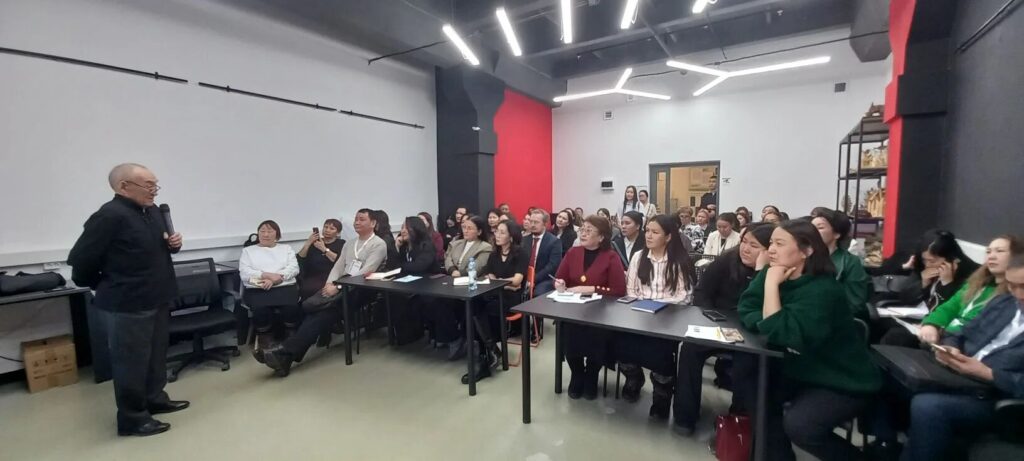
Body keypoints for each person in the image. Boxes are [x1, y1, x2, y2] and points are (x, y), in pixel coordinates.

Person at [735, 220, 881, 461]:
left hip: (839, 378)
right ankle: (777, 455)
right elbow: (747, 306)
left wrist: (771, 287)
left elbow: (782, 333)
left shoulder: (822, 290)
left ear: (807, 251)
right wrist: (767, 319)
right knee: (750, 377)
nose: (771, 250)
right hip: (799, 368)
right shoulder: (774, 270)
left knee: (801, 426)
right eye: (771, 243)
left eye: (779, 244)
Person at [68, 163, 187, 437]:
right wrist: (104, 285)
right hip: (128, 304)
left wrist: (174, 246)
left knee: (155, 356)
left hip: (158, 297)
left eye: (156, 185)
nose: (154, 191)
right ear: (123, 186)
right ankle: (133, 418)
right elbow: (81, 261)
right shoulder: (109, 216)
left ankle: (155, 399)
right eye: (149, 185)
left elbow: (156, 249)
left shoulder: (153, 211)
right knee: (131, 363)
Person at [902, 252, 1024, 461]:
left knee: (928, 406)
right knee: (897, 375)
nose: (1018, 294)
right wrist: (951, 349)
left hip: (1000, 396)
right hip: (963, 376)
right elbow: (958, 334)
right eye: (1012, 286)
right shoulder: (1004, 302)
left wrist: (988, 374)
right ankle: (887, 444)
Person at [673, 223, 776, 435]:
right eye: (744, 242)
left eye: (754, 245)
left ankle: (739, 417)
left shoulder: (774, 273)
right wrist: (712, 317)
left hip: (753, 332)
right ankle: (685, 417)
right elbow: (702, 292)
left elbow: (764, 309)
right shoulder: (726, 261)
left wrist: (761, 271)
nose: (745, 249)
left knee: (748, 360)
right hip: (717, 325)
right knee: (690, 349)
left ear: (769, 250)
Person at [262, 209, 388, 376]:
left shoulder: (378, 244)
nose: (357, 222)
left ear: (373, 223)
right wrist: (329, 283)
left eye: (362, 219)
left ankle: (286, 352)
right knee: (318, 311)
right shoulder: (350, 243)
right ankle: (286, 356)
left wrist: (338, 287)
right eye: (356, 219)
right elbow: (338, 266)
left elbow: (366, 272)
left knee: (325, 312)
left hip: (362, 289)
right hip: (342, 285)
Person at [616, 215, 696, 418]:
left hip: (668, 317)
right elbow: (631, 290)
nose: (649, 236)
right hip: (639, 312)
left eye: (655, 232)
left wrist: (657, 305)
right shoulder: (639, 257)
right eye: (647, 231)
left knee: (660, 351)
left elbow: (684, 296)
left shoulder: (680, 261)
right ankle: (634, 378)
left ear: (668, 237)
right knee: (621, 340)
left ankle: (662, 394)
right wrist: (643, 306)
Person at [554, 216, 627, 399]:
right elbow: (560, 278)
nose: (583, 233)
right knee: (568, 332)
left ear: (601, 237)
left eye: (589, 230)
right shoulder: (573, 252)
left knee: (597, 337)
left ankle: (592, 375)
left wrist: (593, 288)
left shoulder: (611, 257)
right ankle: (577, 373)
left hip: (600, 311)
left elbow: (619, 290)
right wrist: (560, 285)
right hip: (574, 309)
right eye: (582, 229)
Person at [918, 235, 1021, 344]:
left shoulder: (1013, 295)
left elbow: (976, 329)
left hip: (957, 344)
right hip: (942, 337)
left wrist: (944, 335)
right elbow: (950, 307)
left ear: (1017, 258)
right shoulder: (976, 282)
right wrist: (931, 325)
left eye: (1000, 251)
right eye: (988, 252)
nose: (991, 256)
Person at [464, 220, 530, 384]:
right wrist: (505, 284)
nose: (497, 235)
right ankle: (491, 351)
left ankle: (488, 354)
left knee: (481, 311)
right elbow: (490, 277)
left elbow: (517, 281)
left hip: (513, 299)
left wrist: (501, 283)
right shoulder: (494, 254)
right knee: (472, 306)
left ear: (511, 236)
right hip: (496, 293)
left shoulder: (521, 254)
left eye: (502, 232)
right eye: (496, 231)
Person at [432, 215, 493, 360]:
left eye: (470, 228)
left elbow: (477, 267)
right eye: (464, 227)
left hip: (471, 286)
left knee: (447, 304)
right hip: (452, 281)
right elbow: (448, 258)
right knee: (434, 300)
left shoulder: (485, 247)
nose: (465, 230)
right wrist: (453, 270)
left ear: (479, 231)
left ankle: (457, 339)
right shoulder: (456, 243)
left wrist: (460, 272)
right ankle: (451, 336)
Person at [239, 220, 301, 362]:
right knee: (260, 309)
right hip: (258, 288)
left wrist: (277, 279)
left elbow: (294, 268)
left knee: (291, 307)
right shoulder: (248, 251)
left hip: (284, 286)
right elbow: (245, 273)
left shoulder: (286, 249)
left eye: (270, 231)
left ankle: (291, 338)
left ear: (277, 235)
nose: (265, 234)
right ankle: (266, 340)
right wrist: (265, 275)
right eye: (262, 231)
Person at [811, 209, 872, 318]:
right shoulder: (802, 258)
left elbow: (855, 304)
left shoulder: (849, 262)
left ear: (836, 234)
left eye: (820, 228)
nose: (812, 232)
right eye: (811, 228)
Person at [296, 219, 345, 301]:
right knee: (305, 288)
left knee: (317, 289)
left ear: (338, 233)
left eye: (332, 228)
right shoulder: (314, 242)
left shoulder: (341, 243)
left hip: (329, 277)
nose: (327, 230)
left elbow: (338, 260)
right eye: (326, 227)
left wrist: (323, 249)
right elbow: (300, 258)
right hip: (312, 276)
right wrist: (308, 243)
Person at [524, 209, 563, 295]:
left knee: (538, 293)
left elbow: (552, 266)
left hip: (544, 278)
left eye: (536, 222)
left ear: (545, 224)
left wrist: (533, 279)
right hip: (525, 278)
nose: (532, 225)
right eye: (531, 221)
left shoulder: (554, 241)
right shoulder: (524, 240)